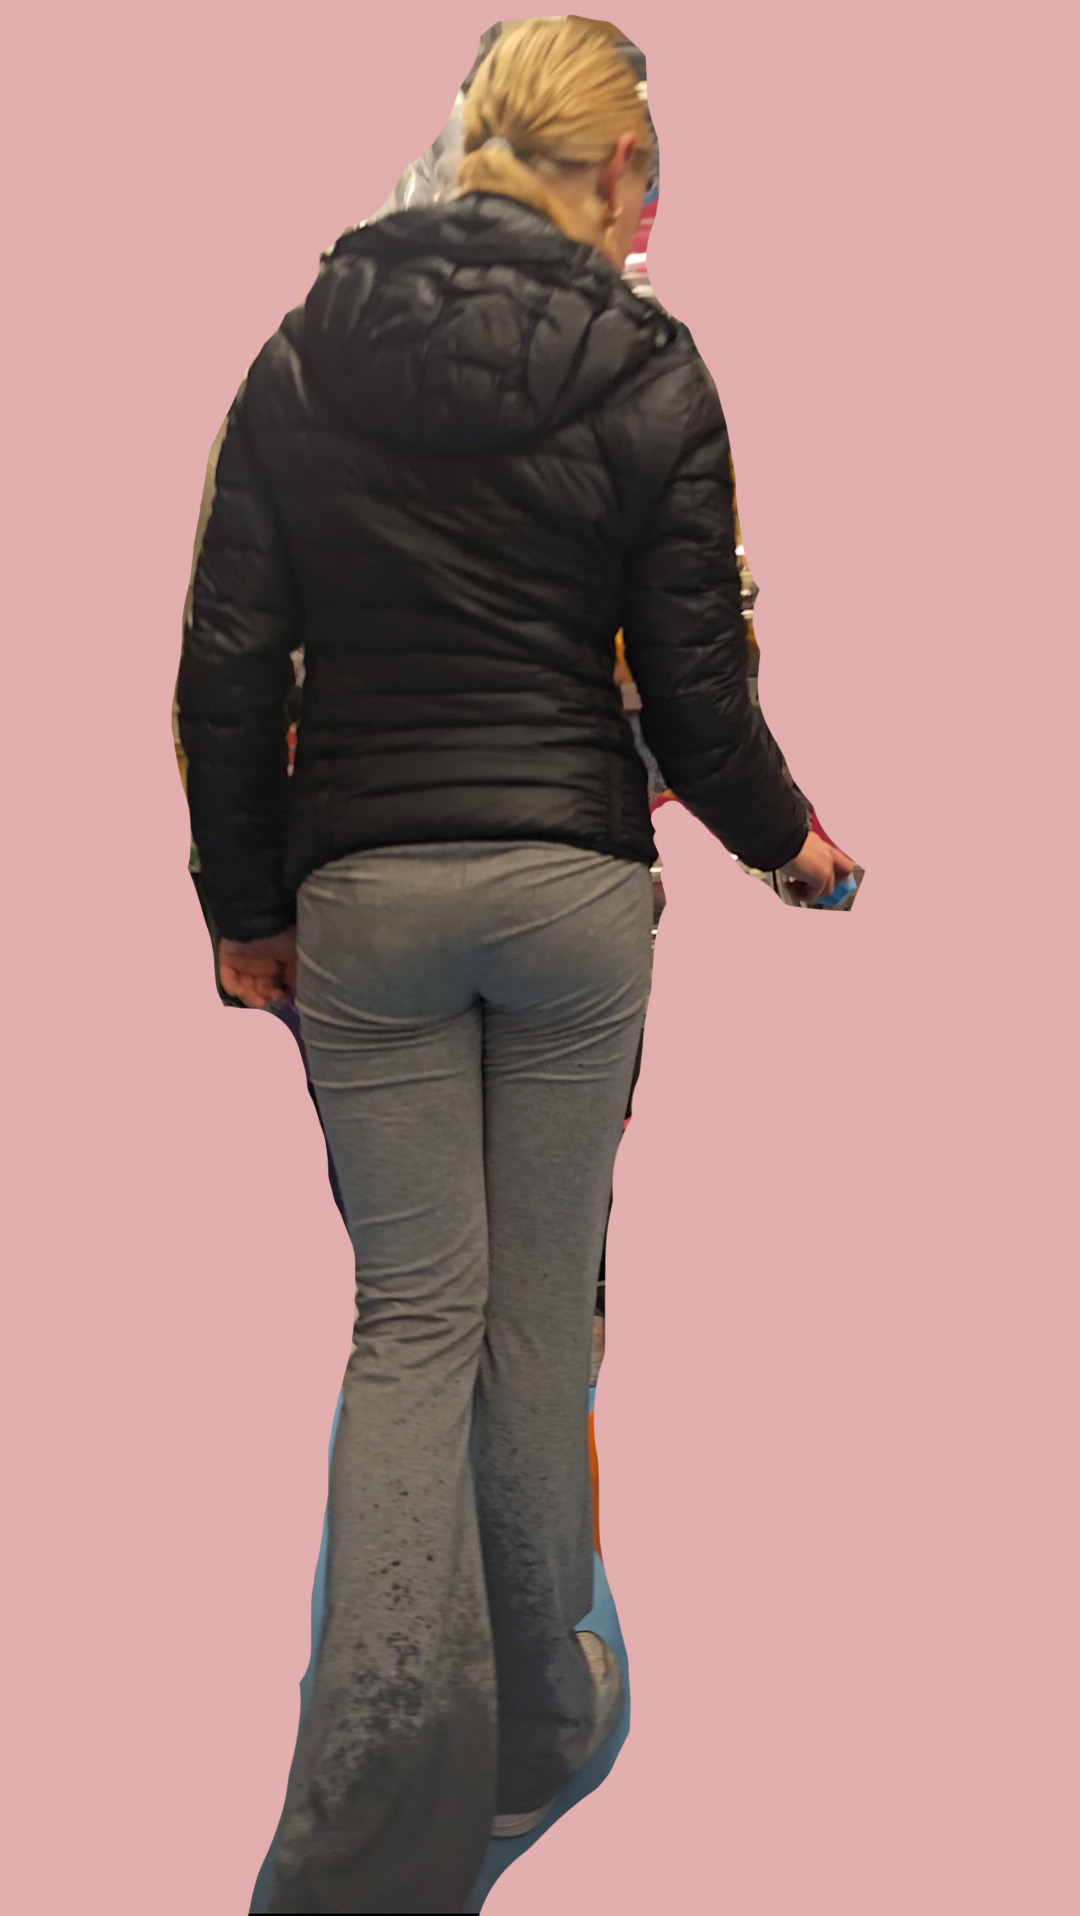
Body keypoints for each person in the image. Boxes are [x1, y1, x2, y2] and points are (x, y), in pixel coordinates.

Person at [176, 17, 854, 1912]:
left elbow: (228, 666)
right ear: (618, 171)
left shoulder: (301, 354)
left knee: (414, 1323)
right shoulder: (653, 367)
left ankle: (368, 1821)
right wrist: (790, 846)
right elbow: (697, 692)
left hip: (367, 899)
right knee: (541, 1318)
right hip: (569, 897)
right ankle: (543, 1722)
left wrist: (245, 908)